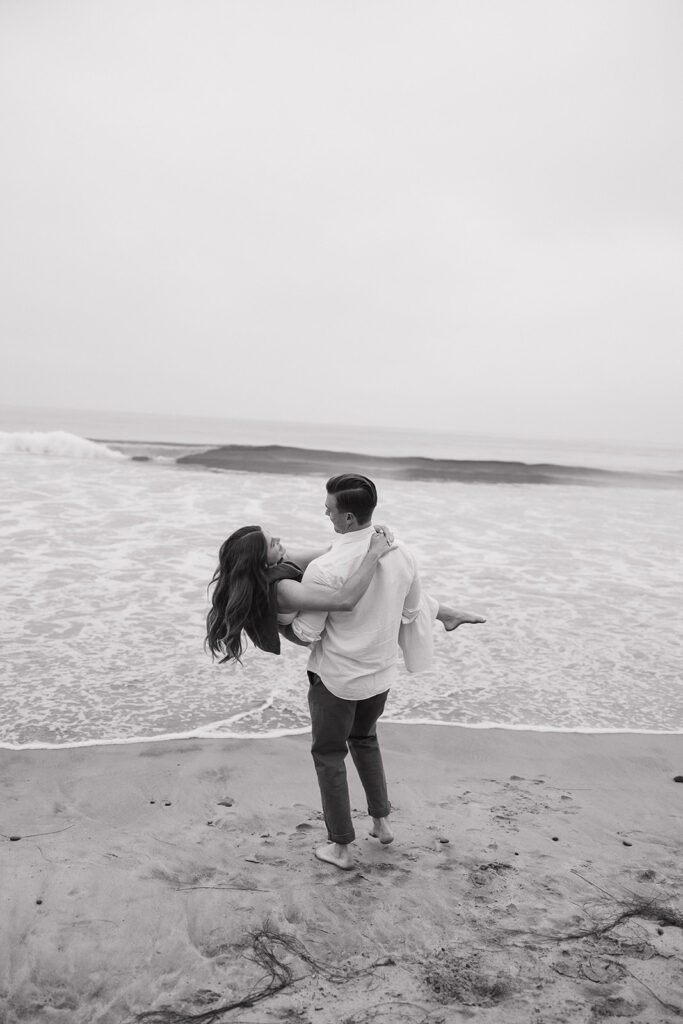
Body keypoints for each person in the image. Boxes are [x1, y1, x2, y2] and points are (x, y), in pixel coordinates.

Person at [282, 473, 485, 871]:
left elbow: (308, 633)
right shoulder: (402, 552)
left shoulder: (325, 569)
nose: (326, 515)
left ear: (351, 519)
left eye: (331, 511)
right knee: (365, 740)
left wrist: (274, 622)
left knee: (328, 755)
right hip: (379, 676)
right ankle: (381, 821)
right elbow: (412, 611)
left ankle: (339, 847)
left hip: (336, 680)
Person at [205, 524, 396, 664]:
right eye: (272, 544)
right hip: (303, 631)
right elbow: (344, 600)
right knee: (324, 576)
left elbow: (329, 552)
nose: (279, 540)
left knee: (329, 563)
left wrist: (363, 534)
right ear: (262, 561)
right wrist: (374, 552)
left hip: (288, 613)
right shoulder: (283, 589)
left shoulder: (273, 563)